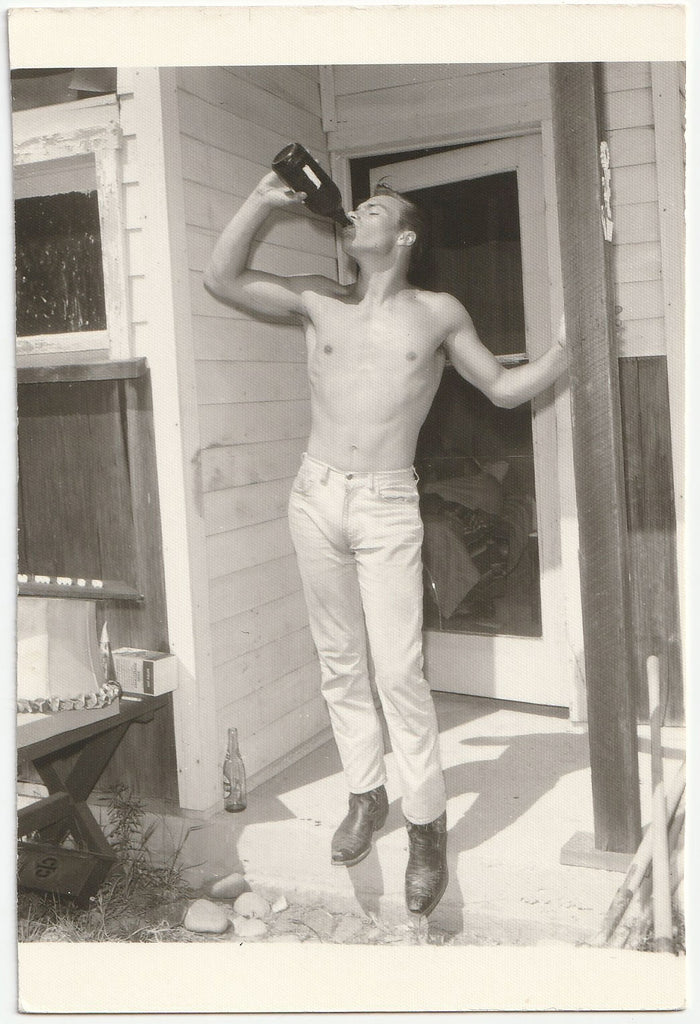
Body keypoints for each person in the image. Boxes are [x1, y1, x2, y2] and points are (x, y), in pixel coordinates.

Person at [204, 169, 567, 918]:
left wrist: (572, 347)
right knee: (340, 664)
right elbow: (223, 277)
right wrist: (262, 202)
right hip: (315, 496)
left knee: (399, 672)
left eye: (372, 208)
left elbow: (502, 389)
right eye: (356, 208)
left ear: (402, 236)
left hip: (386, 503)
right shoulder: (318, 298)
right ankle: (367, 796)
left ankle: (427, 828)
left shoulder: (436, 312)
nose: (353, 214)